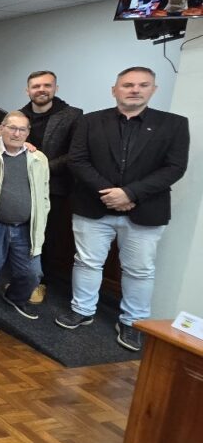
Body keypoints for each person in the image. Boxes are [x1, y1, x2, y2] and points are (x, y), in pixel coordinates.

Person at [56, 67, 189, 352]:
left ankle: (133, 321)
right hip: (94, 205)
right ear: (114, 90)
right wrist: (110, 194)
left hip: (145, 209)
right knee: (87, 262)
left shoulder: (174, 124)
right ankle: (82, 310)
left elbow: (174, 168)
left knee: (139, 270)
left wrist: (129, 193)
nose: (134, 90)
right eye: (127, 85)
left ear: (153, 90)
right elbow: (78, 161)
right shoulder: (90, 122)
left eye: (143, 85)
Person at [0, 112, 51, 333]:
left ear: (28, 133)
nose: (17, 133)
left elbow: (44, 195)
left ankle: (14, 297)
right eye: (12, 128)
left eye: (22, 129)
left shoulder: (38, 158)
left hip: (26, 228)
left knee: (33, 273)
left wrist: (41, 218)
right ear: (1, 128)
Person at [19, 71, 82, 303]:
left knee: (46, 238)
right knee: (21, 235)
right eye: (36, 86)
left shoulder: (72, 115)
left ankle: (39, 282)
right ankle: (21, 278)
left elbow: (75, 155)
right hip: (21, 186)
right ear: (28, 90)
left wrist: (41, 168)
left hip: (54, 188)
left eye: (47, 85)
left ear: (55, 88)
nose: (41, 90)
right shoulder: (19, 115)